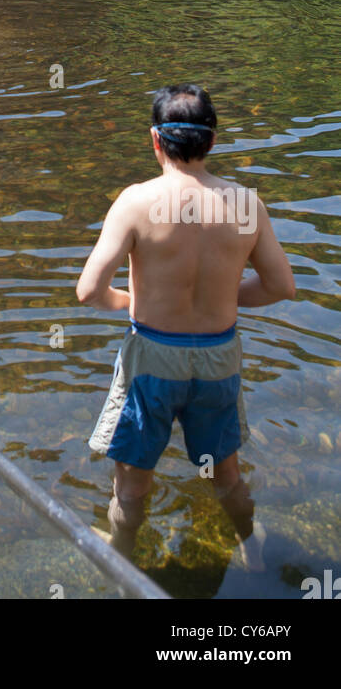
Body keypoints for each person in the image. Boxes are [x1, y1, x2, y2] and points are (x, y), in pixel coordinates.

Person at [76, 83, 295, 566]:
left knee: (131, 484)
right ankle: (249, 545)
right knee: (225, 473)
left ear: (156, 140)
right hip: (218, 355)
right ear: (212, 141)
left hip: (152, 355)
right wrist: (222, 298)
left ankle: (122, 559)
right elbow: (282, 287)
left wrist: (132, 300)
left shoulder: (136, 201)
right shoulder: (244, 204)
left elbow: (89, 290)